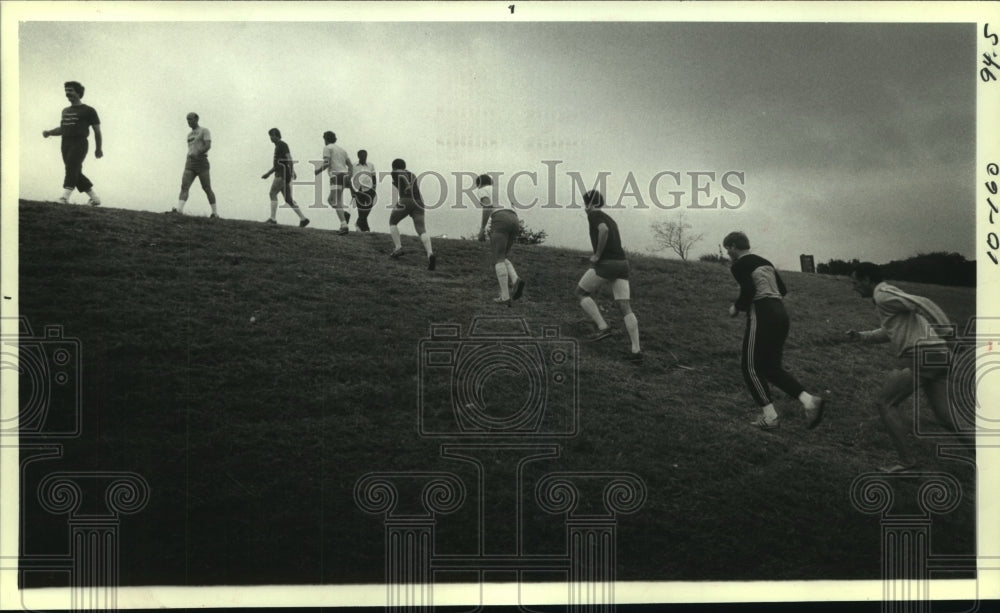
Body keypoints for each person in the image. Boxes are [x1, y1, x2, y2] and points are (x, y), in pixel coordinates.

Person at [846, 262, 959, 472]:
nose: (854, 287)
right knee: (946, 418)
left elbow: (924, 302)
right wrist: (861, 336)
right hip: (938, 356)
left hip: (923, 355)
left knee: (885, 402)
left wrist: (948, 334)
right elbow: (889, 331)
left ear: (867, 280)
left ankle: (908, 465)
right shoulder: (884, 299)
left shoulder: (883, 294)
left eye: (855, 282)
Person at [723, 231, 824, 430]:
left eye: (728, 249)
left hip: (762, 314)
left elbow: (749, 290)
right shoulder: (765, 261)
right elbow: (783, 289)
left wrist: (737, 307)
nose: (728, 254)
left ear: (734, 246)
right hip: (780, 314)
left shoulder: (739, 265)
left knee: (750, 367)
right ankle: (809, 401)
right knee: (771, 368)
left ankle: (770, 417)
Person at [574, 190, 641, 362]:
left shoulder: (594, 215)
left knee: (581, 293)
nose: (584, 208)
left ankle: (603, 327)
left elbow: (603, 231)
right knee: (625, 306)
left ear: (590, 204)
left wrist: (596, 255)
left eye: (584, 204)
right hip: (622, 264)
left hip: (607, 264)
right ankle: (636, 350)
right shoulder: (610, 218)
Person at [42, 81, 103, 206]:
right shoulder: (65, 111)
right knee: (74, 171)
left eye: (70, 90)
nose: (67, 93)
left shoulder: (89, 110)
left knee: (71, 167)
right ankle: (95, 199)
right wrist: (49, 132)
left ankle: (64, 198)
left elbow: (97, 131)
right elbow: (63, 129)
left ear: (78, 93)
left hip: (80, 142)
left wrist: (98, 148)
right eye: (66, 90)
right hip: (65, 143)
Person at [475, 174, 525, 306]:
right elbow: (512, 204)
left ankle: (506, 295)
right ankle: (514, 280)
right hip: (514, 218)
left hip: (500, 218)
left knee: (498, 258)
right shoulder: (500, 189)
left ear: (479, 184)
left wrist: (482, 229)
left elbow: (487, 207)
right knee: (502, 256)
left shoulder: (482, 190)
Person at [388, 158, 435, 270]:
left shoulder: (395, 172)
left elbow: (401, 176)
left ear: (394, 166)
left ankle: (398, 247)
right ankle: (430, 254)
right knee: (421, 229)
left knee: (392, 222)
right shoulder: (412, 174)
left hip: (406, 200)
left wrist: (406, 184)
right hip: (419, 202)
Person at [172, 113, 217, 217]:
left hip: (201, 161)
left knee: (206, 187)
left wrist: (198, 152)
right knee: (184, 186)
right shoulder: (189, 135)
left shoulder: (204, 131)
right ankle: (179, 210)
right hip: (190, 162)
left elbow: (208, 145)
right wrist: (191, 155)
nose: (189, 121)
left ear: (196, 119)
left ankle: (215, 213)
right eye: (187, 120)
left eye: (191, 119)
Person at [261, 128, 309, 227]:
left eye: (272, 135)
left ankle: (273, 219)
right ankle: (303, 219)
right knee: (288, 199)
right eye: (270, 136)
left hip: (281, 174)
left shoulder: (282, 145)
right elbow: (278, 164)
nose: (270, 138)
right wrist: (268, 174)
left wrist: (292, 171)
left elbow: (289, 158)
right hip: (283, 173)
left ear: (277, 135)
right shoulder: (278, 146)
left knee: (272, 193)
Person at [314, 131, 353, 234]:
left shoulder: (327, 148)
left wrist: (318, 171)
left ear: (326, 139)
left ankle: (344, 225)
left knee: (335, 201)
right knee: (332, 200)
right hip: (344, 175)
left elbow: (326, 163)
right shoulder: (342, 150)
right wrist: (349, 176)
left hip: (335, 176)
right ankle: (344, 218)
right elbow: (350, 165)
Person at [351, 150, 376, 232]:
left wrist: (374, 188)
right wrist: (352, 190)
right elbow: (349, 178)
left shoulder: (371, 165)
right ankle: (365, 228)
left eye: (365, 155)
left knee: (368, 207)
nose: (364, 157)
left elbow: (374, 177)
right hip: (358, 189)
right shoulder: (353, 166)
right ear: (358, 156)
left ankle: (358, 223)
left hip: (369, 189)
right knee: (361, 209)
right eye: (362, 155)